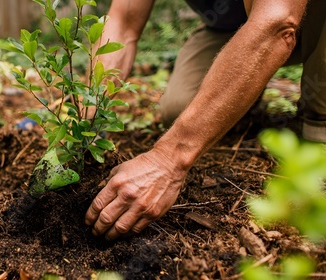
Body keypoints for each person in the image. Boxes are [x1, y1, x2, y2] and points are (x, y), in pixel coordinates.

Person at [84, 0, 325, 240]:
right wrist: (92, 112)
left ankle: (318, 125)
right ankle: (247, 88)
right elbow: (123, 23)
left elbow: (278, 22)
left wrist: (168, 159)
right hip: (235, 29)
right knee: (180, 108)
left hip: (298, 18)